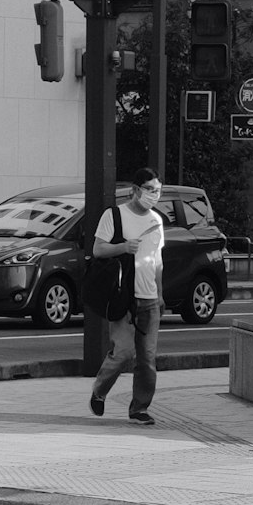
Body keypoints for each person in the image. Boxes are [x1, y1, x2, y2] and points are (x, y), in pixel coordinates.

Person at [88, 167, 165, 426]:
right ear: (135, 190)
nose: (154, 195)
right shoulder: (114, 215)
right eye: (149, 190)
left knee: (147, 358)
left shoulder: (157, 220)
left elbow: (157, 260)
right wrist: (123, 247)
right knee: (122, 352)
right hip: (124, 297)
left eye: (157, 190)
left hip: (150, 299)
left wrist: (160, 293)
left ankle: (139, 408)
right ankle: (99, 392)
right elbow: (98, 250)